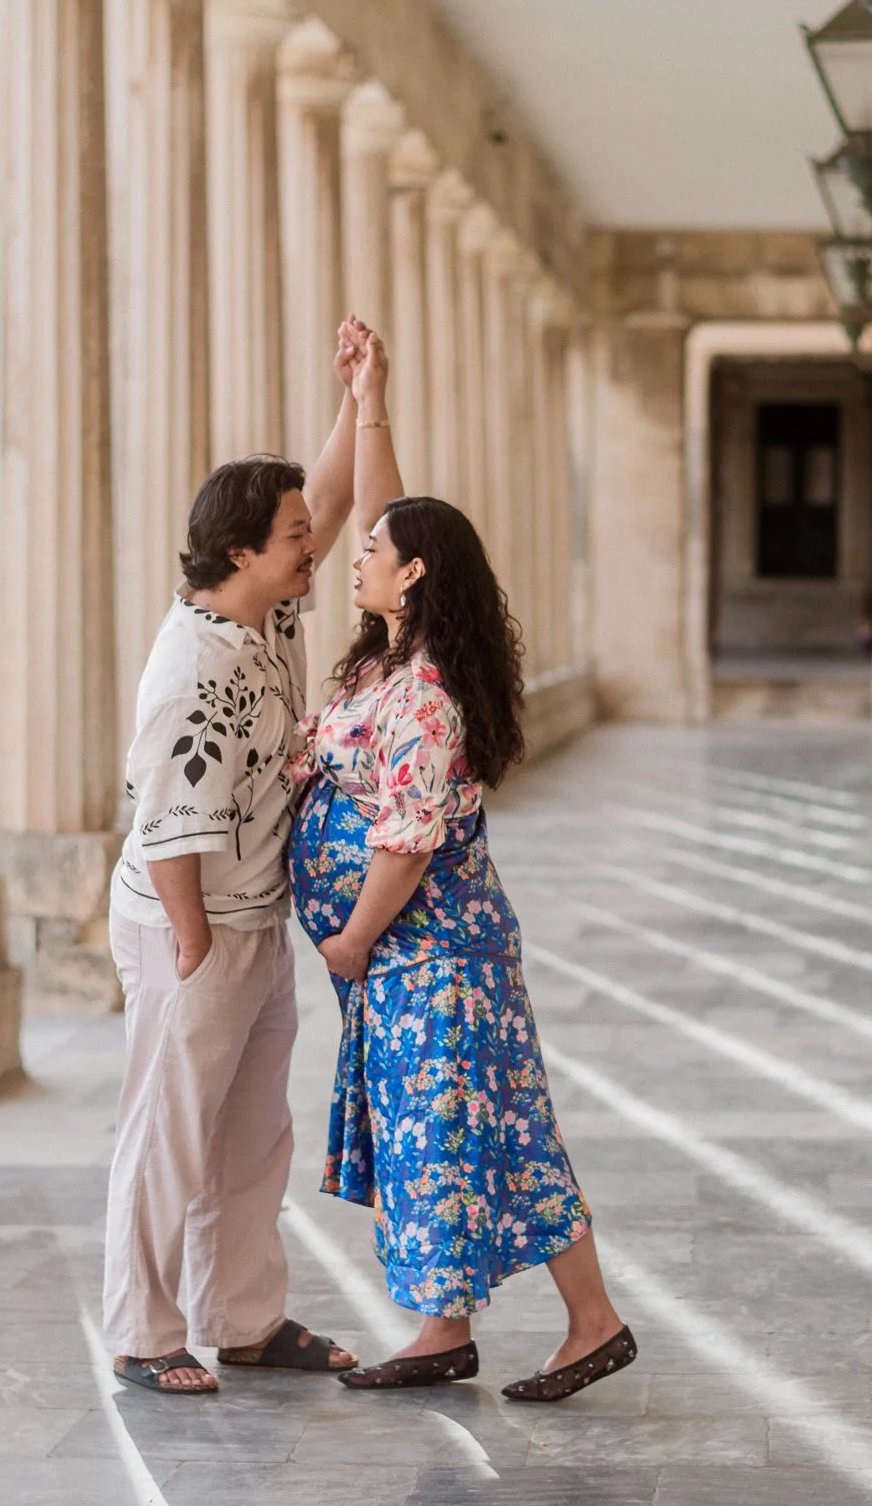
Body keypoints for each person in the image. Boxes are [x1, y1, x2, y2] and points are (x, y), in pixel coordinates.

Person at [102, 318, 402, 1395]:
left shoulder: (263, 617)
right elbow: (165, 824)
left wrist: (355, 393)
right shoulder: (193, 669)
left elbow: (321, 500)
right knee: (169, 1131)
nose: (311, 544)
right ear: (240, 551)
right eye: (287, 536)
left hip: (249, 919)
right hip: (194, 926)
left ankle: (241, 1317)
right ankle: (143, 1332)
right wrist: (191, 947)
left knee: (249, 1135)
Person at [289, 493, 637, 1401]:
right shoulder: (387, 666)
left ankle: (575, 1323)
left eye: (374, 548)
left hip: (435, 952)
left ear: (413, 575)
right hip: (423, 954)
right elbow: (398, 506)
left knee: (465, 1132)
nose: (354, 557)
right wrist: (368, 403)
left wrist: (353, 940)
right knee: (466, 1133)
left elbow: (409, 841)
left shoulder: (428, 693)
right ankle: (458, 1328)